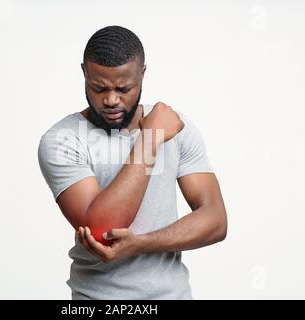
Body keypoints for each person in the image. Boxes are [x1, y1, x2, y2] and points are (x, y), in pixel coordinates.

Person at [38, 25, 227, 300]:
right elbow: (103, 231)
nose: (111, 100)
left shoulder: (175, 126)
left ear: (142, 74)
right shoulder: (63, 139)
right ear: (84, 73)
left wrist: (142, 244)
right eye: (98, 88)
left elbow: (216, 220)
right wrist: (149, 139)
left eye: (124, 88)